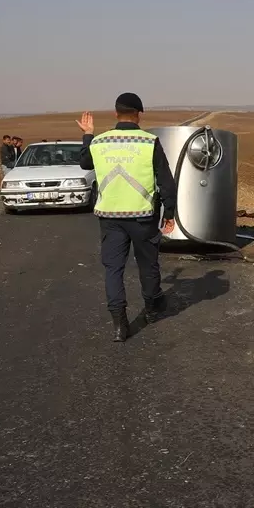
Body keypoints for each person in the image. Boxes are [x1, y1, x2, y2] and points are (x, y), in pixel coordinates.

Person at [77, 93, 177, 342]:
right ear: (139, 114)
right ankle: (153, 308)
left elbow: (84, 163)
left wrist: (88, 134)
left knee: (113, 269)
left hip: (110, 217)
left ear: (115, 113)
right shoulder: (148, 141)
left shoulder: (99, 142)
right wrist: (170, 213)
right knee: (147, 264)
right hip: (143, 216)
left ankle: (120, 324)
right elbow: (166, 181)